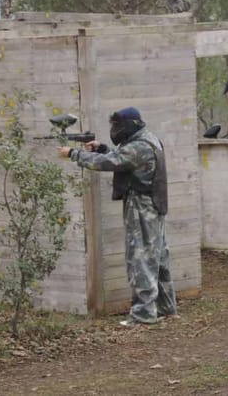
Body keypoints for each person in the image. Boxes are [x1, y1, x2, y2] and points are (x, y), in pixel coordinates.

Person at [59, 107, 177, 326]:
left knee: (140, 259)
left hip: (142, 207)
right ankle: (165, 307)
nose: (115, 130)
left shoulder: (140, 146)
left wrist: (74, 154)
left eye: (117, 125)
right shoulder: (147, 139)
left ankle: (143, 314)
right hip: (152, 205)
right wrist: (102, 148)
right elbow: (120, 157)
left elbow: (110, 162)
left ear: (130, 125)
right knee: (157, 257)